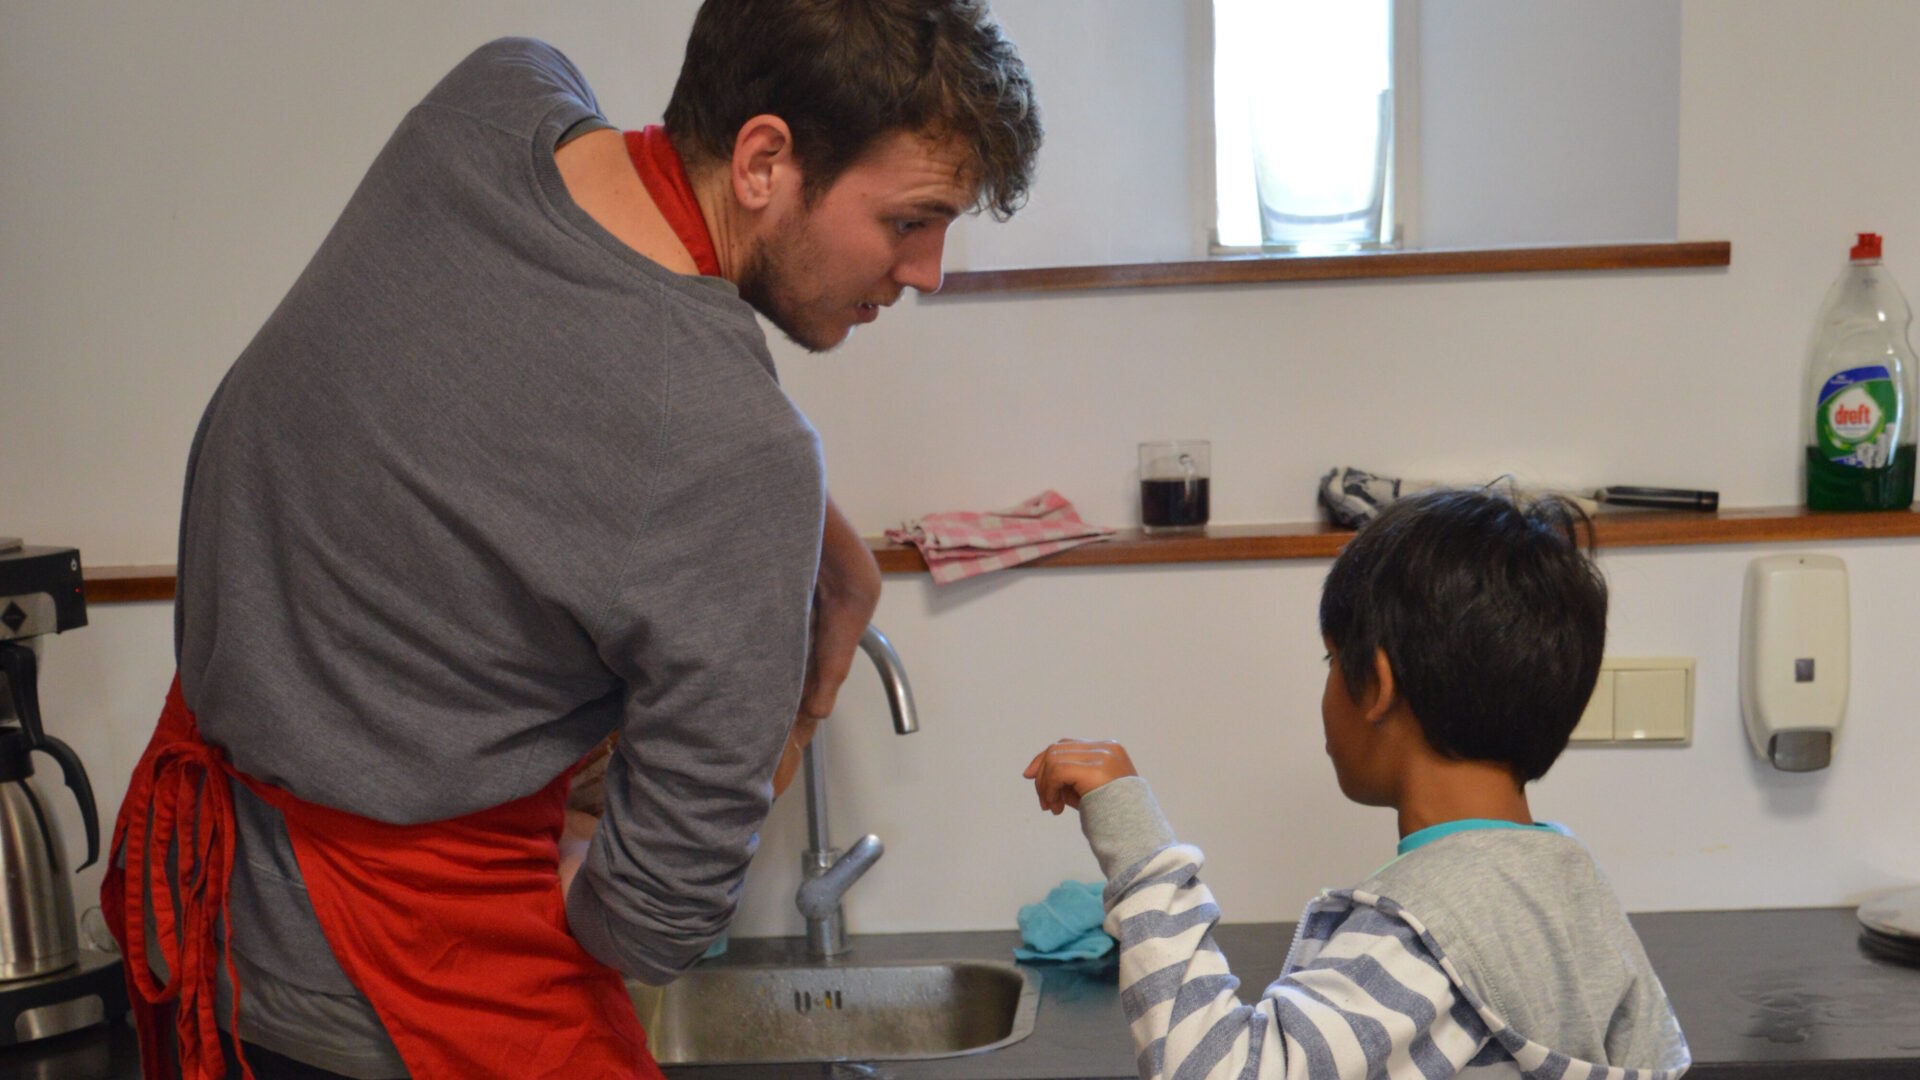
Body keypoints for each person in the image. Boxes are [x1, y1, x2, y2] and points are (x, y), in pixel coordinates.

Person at [103, 3, 1040, 1078]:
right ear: (764, 160)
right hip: (403, 1002)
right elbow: (650, 919)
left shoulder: (492, 100)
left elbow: (561, 348)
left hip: (205, 925)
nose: (927, 270)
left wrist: (809, 519)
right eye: (910, 221)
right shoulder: (733, 447)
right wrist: (786, 706)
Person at [1025, 489, 1693, 1079]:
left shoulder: (1429, 936)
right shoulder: (1569, 891)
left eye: (1331, 658)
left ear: (1375, 684)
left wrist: (1137, 848)